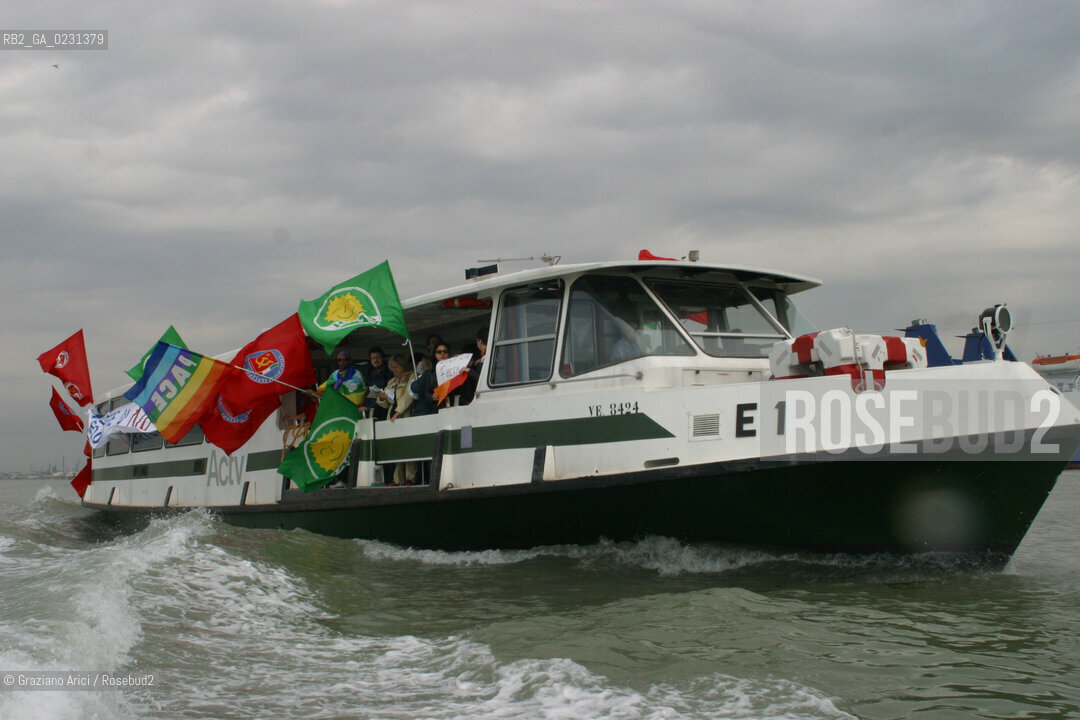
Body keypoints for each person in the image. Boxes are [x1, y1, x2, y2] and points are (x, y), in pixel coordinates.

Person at [376, 353, 417, 484]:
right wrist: (381, 398)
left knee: (408, 447)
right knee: (397, 448)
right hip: (392, 416)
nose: (394, 370)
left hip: (405, 415)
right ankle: (397, 479)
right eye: (392, 368)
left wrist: (399, 412)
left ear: (403, 366)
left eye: (396, 367)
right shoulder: (392, 381)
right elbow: (386, 402)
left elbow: (408, 397)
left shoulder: (412, 376)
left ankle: (410, 477)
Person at [364, 346, 393, 420]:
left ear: (383, 358)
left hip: (384, 411)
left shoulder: (389, 373)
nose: (376, 360)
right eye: (373, 358)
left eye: (378, 357)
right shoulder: (369, 373)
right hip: (370, 411)